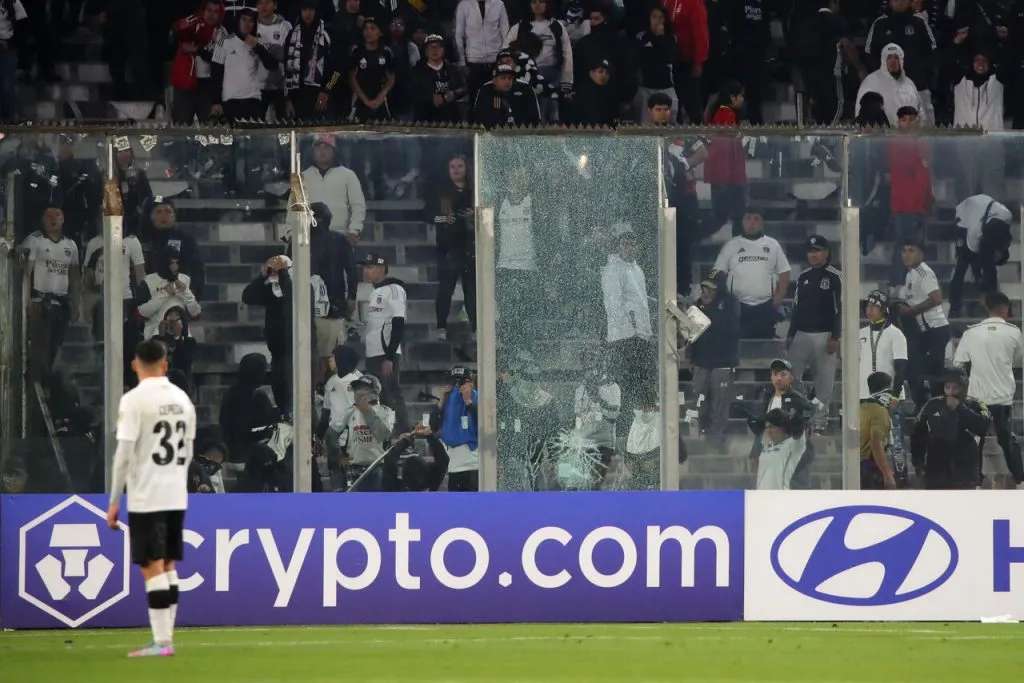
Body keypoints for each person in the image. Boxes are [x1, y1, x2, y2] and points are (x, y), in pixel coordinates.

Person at [106, 339, 196, 657]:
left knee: (150, 564)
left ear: (134, 364)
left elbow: (124, 454)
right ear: (165, 365)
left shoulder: (134, 400)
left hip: (147, 493)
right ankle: (166, 637)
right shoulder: (183, 399)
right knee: (168, 562)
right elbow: (187, 450)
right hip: (176, 492)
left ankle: (162, 642)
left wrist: (115, 499)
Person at [953, 291, 1024, 487]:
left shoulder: (970, 333)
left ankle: (974, 482)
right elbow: (1019, 359)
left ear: (987, 308)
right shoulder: (1014, 332)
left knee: (975, 440)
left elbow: (958, 364)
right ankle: (1020, 481)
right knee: (1007, 440)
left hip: (977, 397)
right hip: (1003, 397)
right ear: (1006, 309)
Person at [786, 235, 841, 432]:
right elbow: (796, 308)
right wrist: (791, 334)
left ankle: (819, 423)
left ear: (826, 252)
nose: (813, 254)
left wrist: (835, 336)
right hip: (801, 334)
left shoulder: (835, 276)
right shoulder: (804, 276)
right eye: (810, 251)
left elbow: (840, 309)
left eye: (817, 250)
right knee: (790, 378)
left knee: (824, 383)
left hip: (824, 335)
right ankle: (798, 418)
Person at [22, 205, 81, 383]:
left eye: (57, 215)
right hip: (39, 300)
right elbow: (26, 274)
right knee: (40, 345)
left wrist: (77, 305)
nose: (53, 218)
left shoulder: (71, 244)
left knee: (56, 344)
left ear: (63, 219)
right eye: (48, 215)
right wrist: (27, 301)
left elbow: (75, 276)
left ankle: (49, 382)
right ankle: (37, 382)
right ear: (42, 219)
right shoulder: (34, 240)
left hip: (61, 303)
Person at [712, 209, 791, 340]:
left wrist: (780, 296)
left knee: (764, 347)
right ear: (742, 222)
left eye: (756, 218)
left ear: (762, 223)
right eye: (748, 218)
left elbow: (784, 271)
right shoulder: (731, 245)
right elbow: (717, 272)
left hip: (765, 307)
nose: (752, 222)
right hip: (737, 307)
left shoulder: (773, 245)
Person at [910, 368, 990, 489]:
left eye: (955, 388)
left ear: (963, 387)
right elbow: (917, 433)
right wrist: (918, 461)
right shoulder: (932, 405)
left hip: (965, 471)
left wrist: (959, 408)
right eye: (947, 387)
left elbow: (983, 427)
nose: (951, 392)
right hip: (936, 471)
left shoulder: (976, 405)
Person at [896, 237, 951, 408]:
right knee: (913, 369)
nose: (906, 255)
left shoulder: (924, 272)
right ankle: (923, 407)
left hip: (935, 329)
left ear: (921, 254)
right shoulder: (910, 274)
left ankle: (937, 410)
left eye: (911, 251)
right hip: (923, 330)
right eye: (904, 251)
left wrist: (911, 311)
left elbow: (936, 299)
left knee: (933, 374)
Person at [746, 358, 815, 489]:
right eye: (775, 374)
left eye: (783, 374)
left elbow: (810, 414)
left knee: (797, 488)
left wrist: (798, 420)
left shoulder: (797, 399)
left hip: (794, 452)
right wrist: (755, 452)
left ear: (791, 378)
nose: (778, 378)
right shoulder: (767, 398)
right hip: (771, 452)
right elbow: (762, 429)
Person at [688, 269, 739, 445]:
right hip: (702, 361)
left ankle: (717, 435)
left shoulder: (731, 303)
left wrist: (709, 311)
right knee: (700, 398)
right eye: (704, 287)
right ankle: (702, 430)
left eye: (710, 288)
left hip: (723, 362)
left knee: (720, 402)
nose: (705, 291)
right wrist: (692, 358)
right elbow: (691, 334)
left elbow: (730, 329)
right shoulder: (697, 305)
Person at [794, 0, 866, 125]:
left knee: (819, 113)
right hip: (831, 74)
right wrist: (859, 68)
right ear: (833, 3)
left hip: (809, 76)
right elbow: (847, 45)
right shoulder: (836, 20)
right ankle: (828, 140)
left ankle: (820, 139)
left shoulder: (806, 22)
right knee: (838, 108)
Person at [362, 253, 410, 436]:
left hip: (385, 354)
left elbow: (398, 322)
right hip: (373, 353)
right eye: (365, 267)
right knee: (380, 397)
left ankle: (404, 436)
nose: (366, 271)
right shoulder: (375, 291)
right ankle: (387, 436)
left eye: (370, 267)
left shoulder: (394, 289)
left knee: (391, 394)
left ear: (383, 269)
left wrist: (389, 356)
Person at [865, 0, 936, 123]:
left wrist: (924, 76)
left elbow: (932, 51)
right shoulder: (879, 24)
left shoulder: (919, 22)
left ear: (910, 2)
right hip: (888, 89)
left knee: (925, 132)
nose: (899, 2)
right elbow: (869, 54)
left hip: (918, 87)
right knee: (891, 132)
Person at [429, 154, 475, 341]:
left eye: (460, 166)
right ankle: (440, 327)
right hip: (447, 247)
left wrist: (473, 215)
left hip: (469, 246)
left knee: (471, 290)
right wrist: (445, 218)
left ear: (467, 168)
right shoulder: (442, 191)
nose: (456, 170)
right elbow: (428, 215)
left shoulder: (475, 190)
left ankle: (476, 328)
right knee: (445, 289)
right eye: (452, 166)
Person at [949, 194, 1012, 317]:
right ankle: (954, 306)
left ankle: (990, 302)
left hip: (984, 214)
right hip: (965, 218)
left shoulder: (1006, 218)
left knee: (988, 266)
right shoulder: (975, 233)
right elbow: (973, 254)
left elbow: (988, 263)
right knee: (961, 263)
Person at [211, 8, 280, 121]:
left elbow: (273, 66)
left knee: (253, 138)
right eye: (244, 20)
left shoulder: (259, 42)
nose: (247, 24)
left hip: (253, 100)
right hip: (230, 101)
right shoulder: (224, 42)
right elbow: (216, 73)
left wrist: (257, 46)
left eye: (251, 21)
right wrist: (215, 101)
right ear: (238, 21)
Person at [300, 134, 366, 244]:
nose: (322, 151)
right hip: (309, 237)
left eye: (326, 147)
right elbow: (293, 207)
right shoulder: (303, 177)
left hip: (340, 237)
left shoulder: (348, 175)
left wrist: (354, 231)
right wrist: (290, 232)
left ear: (334, 151)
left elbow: (358, 206)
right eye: (318, 147)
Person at [316, 345, 363, 490]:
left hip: (354, 437)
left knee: (353, 478)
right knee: (335, 473)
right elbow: (326, 412)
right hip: (334, 437)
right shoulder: (331, 382)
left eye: (333, 357)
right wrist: (318, 436)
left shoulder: (360, 380)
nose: (330, 359)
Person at [572, 348, 620, 489]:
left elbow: (613, 416)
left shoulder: (613, 388)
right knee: (585, 485)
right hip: (585, 444)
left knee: (600, 484)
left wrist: (598, 398)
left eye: (592, 367)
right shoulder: (580, 390)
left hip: (603, 444)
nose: (589, 371)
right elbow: (578, 417)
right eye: (585, 367)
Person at [704, 80, 747, 235]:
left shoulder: (721, 113)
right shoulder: (725, 115)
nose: (742, 100)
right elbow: (723, 149)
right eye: (740, 96)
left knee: (727, 216)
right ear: (732, 97)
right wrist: (725, 178)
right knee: (732, 216)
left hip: (726, 175)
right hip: (728, 176)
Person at [340, 374, 396, 490]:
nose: (358, 392)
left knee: (375, 505)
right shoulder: (349, 412)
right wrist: (341, 454)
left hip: (376, 467)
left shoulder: (386, 412)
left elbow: (383, 435)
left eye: (363, 389)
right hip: (354, 468)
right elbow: (336, 435)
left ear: (374, 393)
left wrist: (367, 411)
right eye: (357, 389)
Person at [284, 0, 338, 120]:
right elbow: (286, 70)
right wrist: (288, 100)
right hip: (298, 98)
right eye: (304, 10)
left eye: (311, 10)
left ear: (316, 11)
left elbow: (338, 70)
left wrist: (326, 90)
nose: (307, 13)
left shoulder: (327, 35)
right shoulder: (292, 35)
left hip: (321, 97)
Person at [856, 42, 923, 127]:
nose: (893, 61)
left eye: (896, 57)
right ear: (884, 60)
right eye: (889, 58)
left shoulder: (909, 83)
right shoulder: (871, 81)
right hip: (880, 135)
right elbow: (861, 112)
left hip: (909, 135)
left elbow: (921, 112)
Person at [454, 0, 509, 102]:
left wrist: (504, 57)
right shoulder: (464, 5)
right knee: (475, 100)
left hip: (495, 60)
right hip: (473, 61)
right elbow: (459, 34)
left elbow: (505, 32)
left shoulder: (499, 4)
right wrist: (462, 62)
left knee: (496, 100)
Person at [435, 366, 479, 491]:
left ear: (471, 383)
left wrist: (468, 402)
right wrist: (440, 402)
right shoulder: (448, 399)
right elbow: (433, 425)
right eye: (454, 382)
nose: (458, 385)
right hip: (454, 466)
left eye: (462, 382)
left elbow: (484, 424)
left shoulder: (477, 397)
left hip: (473, 465)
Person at [633, 5, 677, 123]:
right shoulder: (642, 36)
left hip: (666, 86)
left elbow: (669, 57)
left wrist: (660, 37)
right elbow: (639, 58)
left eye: (660, 17)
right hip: (646, 87)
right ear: (649, 18)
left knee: (670, 124)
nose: (657, 20)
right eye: (654, 17)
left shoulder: (670, 37)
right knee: (645, 126)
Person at [348, 16, 396, 122]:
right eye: (366, 28)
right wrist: (366, 100)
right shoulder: (356, 51)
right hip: (359, 101)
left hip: (381, 101)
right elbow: (352, 78)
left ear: (381, 33)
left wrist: (379, 99)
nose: (368, 32)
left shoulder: (386, 52)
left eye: (373, 28)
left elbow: (391, 78)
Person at [410, 33, 467, 123]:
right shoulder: (417, 70)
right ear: (425, 50)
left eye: (438, 47)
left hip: (451, 120)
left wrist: (454, 93)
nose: (434, 50)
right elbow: (411, 91)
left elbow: (464, 87)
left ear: (443, 50)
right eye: (430, 47)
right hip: (425, 119)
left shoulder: (452, 69)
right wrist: (430, 98)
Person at [471, 62, 542, 127]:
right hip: (492, 135)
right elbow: (477, 119)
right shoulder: (485, 90)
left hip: (521, 134)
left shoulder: (525, 88)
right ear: (494, 80)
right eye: (503, 78)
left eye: (510, 78)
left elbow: (536, 119)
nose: (507, 81)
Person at [256, 0, 292, 121]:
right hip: (256, 87)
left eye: (267, 2)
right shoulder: (251, 25)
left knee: (283, 126)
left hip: (280, 86)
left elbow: (289, 57)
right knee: (256, 126)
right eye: (260, 2)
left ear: (275, 5)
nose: (264, 6)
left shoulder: (285, 26)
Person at [860, 370, 897, 490]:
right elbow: (876, 442)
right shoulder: (879, 411)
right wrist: (887, 473)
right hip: (870, 469)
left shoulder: (860, 407)